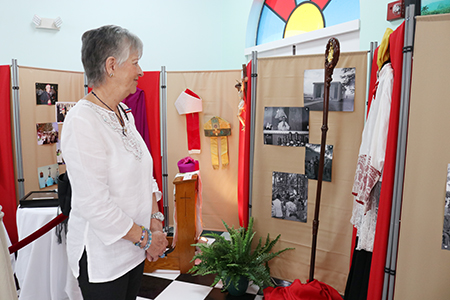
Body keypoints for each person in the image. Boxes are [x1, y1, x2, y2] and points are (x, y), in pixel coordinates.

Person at [61, 25, 168, 300]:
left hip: (133, 250)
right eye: (135, 62)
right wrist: (147, 238)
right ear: (111, 66)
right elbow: (95, 205)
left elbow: (146, 175)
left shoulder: (124, 112)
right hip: (103, 259)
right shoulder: (82, 120)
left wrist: (155, 221)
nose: (141, 71)